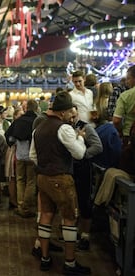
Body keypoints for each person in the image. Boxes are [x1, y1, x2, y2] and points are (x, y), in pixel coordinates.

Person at [29, 92, 90, 274]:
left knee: (46, 215)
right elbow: (79, 154)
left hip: (43, 177)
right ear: (62, 112)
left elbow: (33, 156)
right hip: (61, 178)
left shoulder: (38, 129)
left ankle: (45, 258)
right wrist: (80, 138)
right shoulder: (64, 129)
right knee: (69, 218)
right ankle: (69, 263)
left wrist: (46, 167)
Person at [70, 106, 103, 251]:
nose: (72, 118)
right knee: (73, 202)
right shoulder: (65, 128)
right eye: (70, 115)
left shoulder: (86, 127)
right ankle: (75, 232)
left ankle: (85, 236)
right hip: (70, 169)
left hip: (83, 169)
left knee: (84, 202)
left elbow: (98, 146)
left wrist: (82, 154)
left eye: (74, 115)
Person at [5, 100, 38, 218]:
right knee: (31, 181)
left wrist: (13, 144)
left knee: (20, 180)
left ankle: (20, 206)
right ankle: (26, 207)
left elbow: (8, 135)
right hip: (32, 156)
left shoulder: (19, 121)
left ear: (26, 108)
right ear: (36, 109)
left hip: (19, 155)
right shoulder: (37, 121)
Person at [113, 65, 135, 146]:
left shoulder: (125, 95)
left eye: (128, 78)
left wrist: (120, 132)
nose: (127, 82)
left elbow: (116, 120)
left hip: (130, 135)